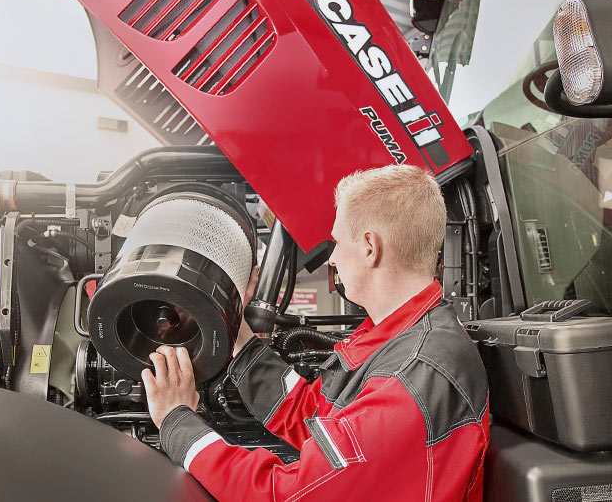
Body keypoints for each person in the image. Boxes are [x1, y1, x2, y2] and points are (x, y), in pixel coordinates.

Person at [141, 165, 489, 501]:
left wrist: (177, 422)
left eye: (337, 242)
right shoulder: (398, 336)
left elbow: (285, 494)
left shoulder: (412, 376)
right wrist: (238, 331)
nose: (332, 258)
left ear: (370, 247)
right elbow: (312, 415)